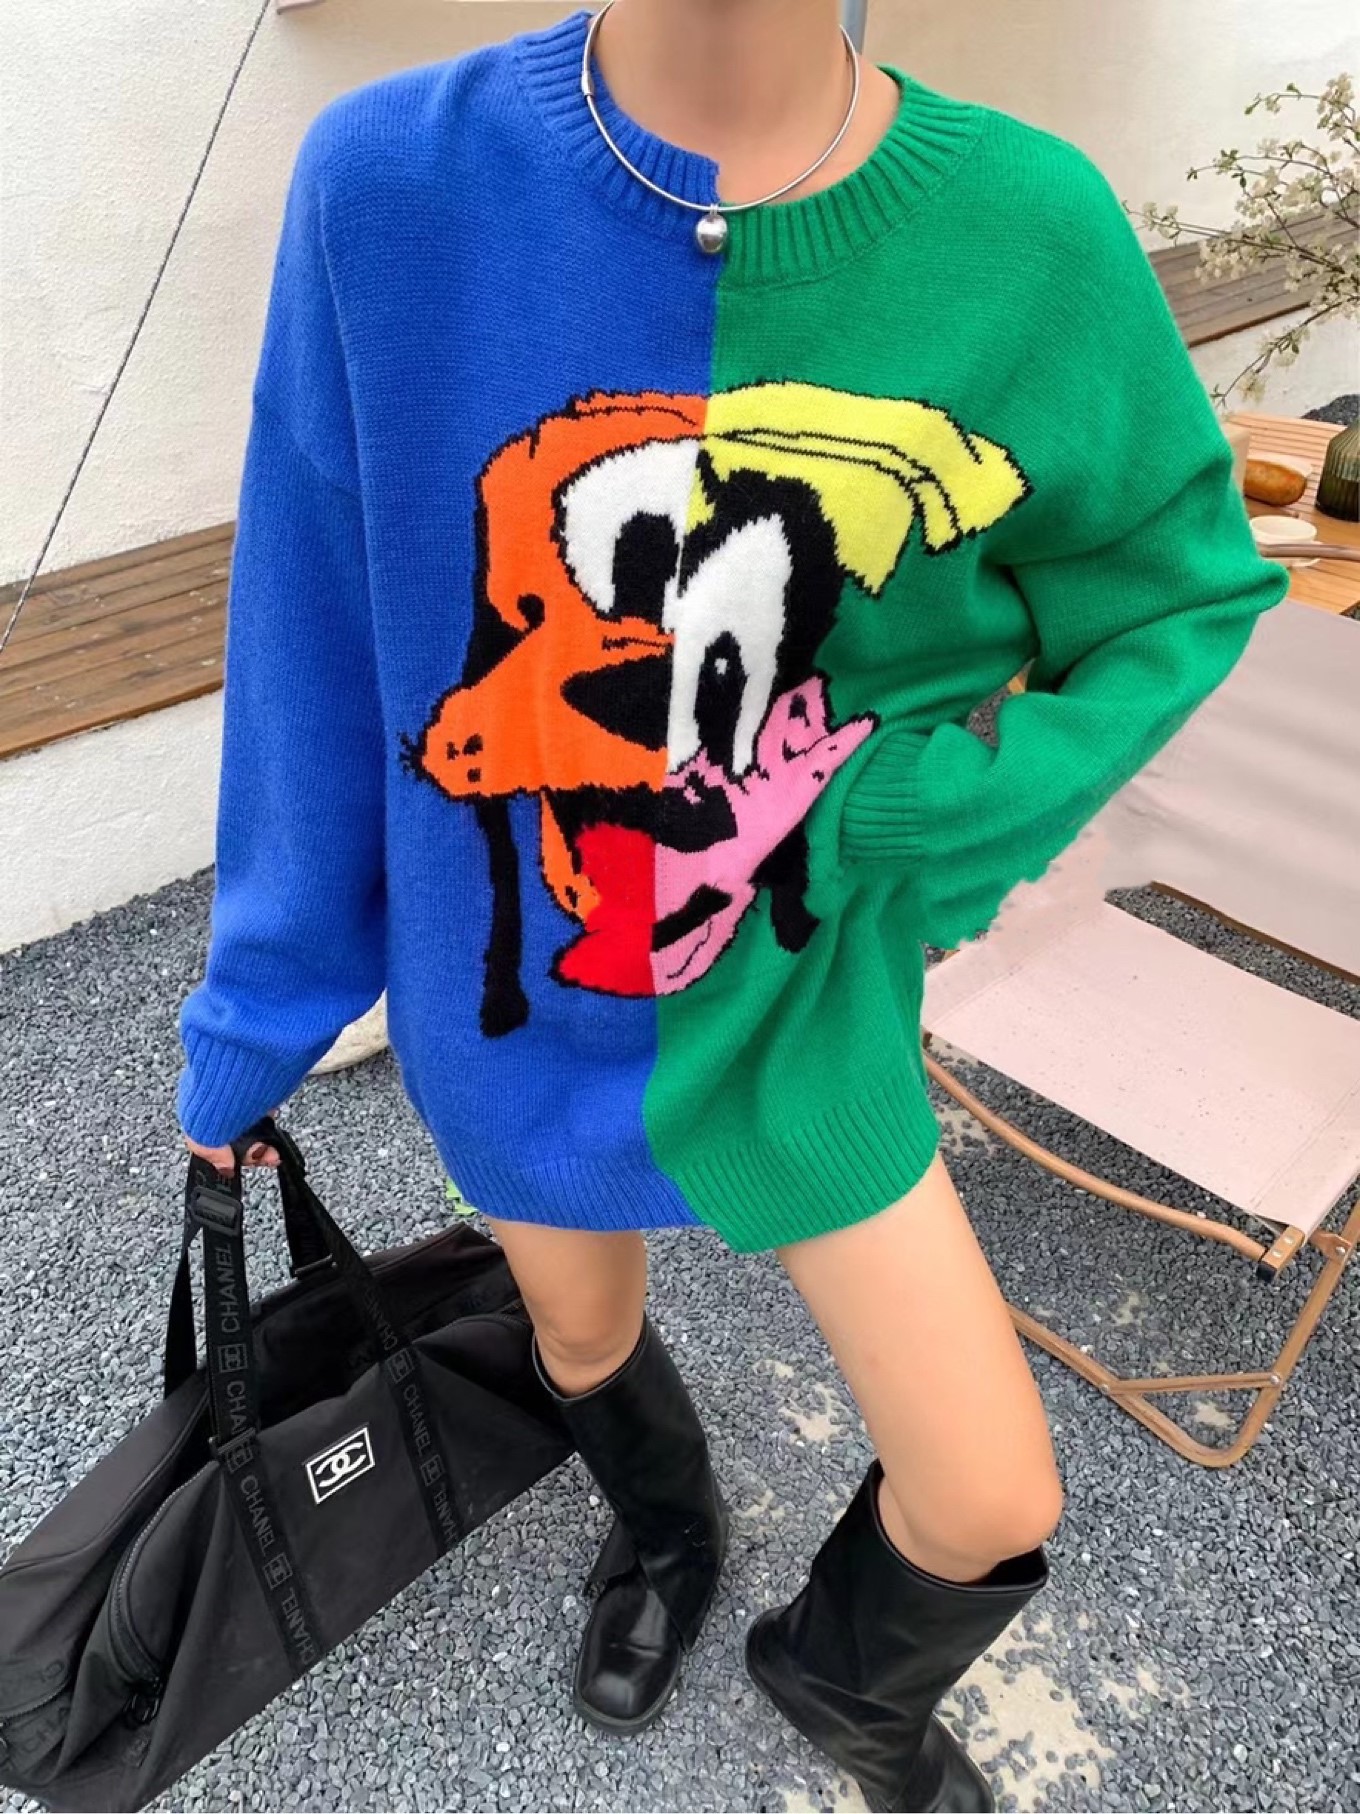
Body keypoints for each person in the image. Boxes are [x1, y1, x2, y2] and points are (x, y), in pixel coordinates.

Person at [177, 2, 1291, 1807]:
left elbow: (1176, 589)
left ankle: (839, 1678)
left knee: (989, 1489)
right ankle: (671, 1527)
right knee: (580, 1333)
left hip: (796, 997)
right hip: (511, 997)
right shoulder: (387, 181)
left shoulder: (1026, 224)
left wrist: (917, 812)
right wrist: (255, 1020)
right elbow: (309, 623)